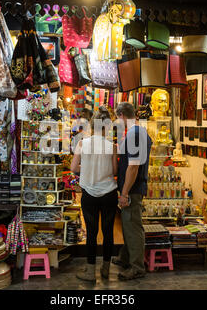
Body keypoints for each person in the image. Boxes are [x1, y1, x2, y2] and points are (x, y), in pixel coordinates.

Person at [70, 106, 118, 282]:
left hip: (89, 193)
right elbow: (114, 170)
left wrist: (87, 168)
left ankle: (90, 271)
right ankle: (106, 268)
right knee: (108, 231)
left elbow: (73, 168)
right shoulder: (112, 146)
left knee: (91, 232)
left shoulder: (83, 143)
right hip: (109, 193)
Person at [113, 102, 152, 280]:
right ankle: (126, 257)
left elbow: (133, 167)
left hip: (133, 188)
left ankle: (137, 267)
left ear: (121, 115)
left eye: (116, 118)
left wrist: (125, 193)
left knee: (133, 226)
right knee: (128, 225)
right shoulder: (137, 132)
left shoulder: (135, 135)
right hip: (133, 187)